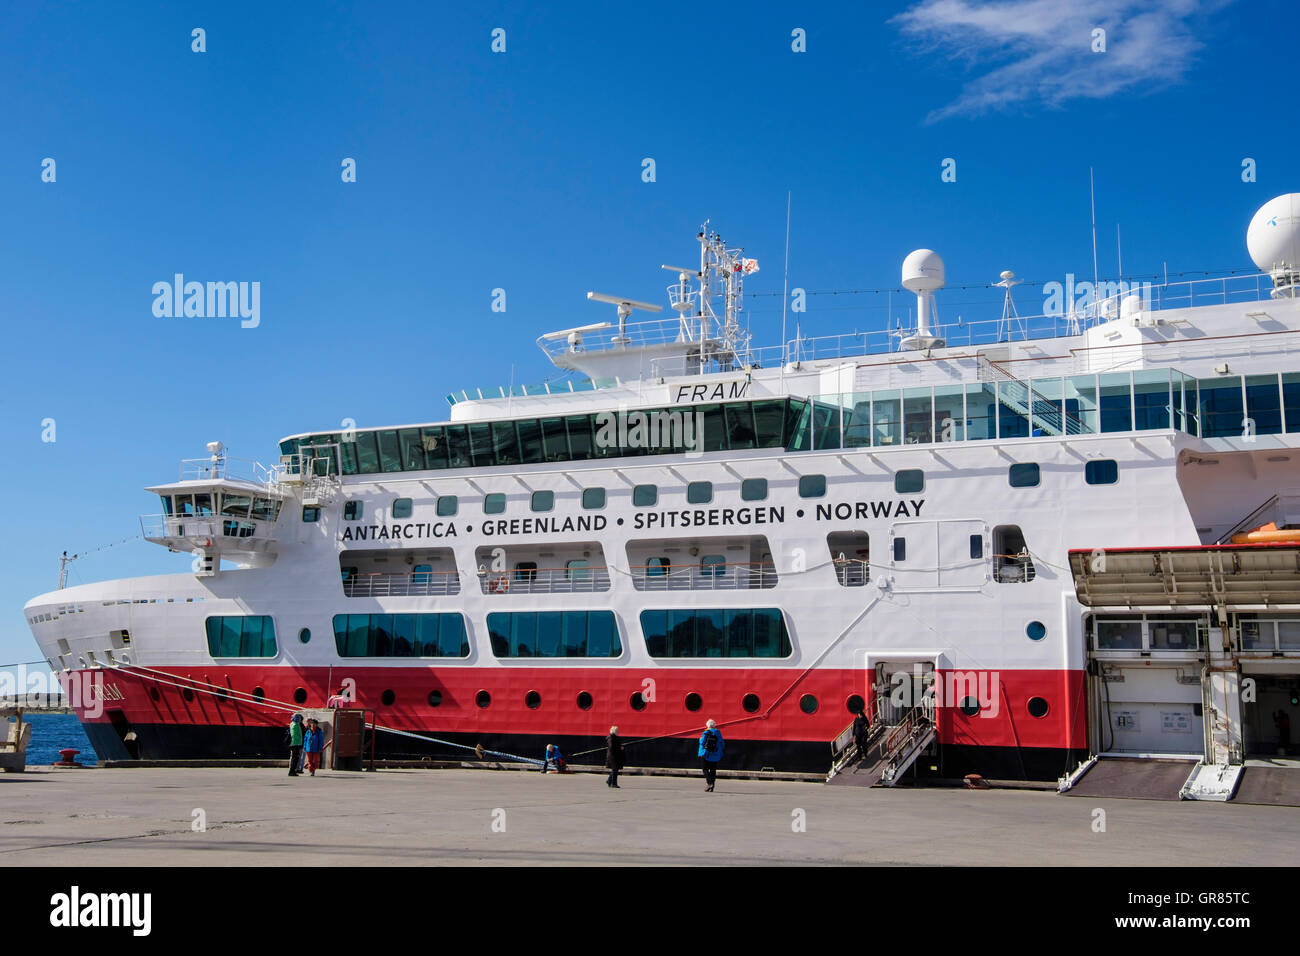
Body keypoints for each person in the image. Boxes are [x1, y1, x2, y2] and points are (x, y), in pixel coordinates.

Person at [698, 719, 724, 792]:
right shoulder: (718, 733)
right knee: (713, 770)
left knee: (705, 768)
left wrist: (700, 739)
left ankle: (709, 783)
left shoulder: (706, 732)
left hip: (706, 754)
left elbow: (702, 742)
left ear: (708, 725)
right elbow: (722, 744)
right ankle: (712, 786)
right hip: (715, 754)